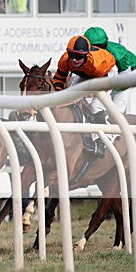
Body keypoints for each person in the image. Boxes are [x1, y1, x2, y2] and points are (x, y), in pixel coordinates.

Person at [52, 36, 117, 176]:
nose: (74, 60)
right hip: (85, 71)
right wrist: (58, 95)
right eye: (72, 55)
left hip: (106, 73)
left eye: (78, 56)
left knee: (96, 106)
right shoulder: (65, 60)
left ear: (86, 55)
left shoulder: (97, 64)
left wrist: (84, 95)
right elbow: (58, 79)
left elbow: (97, 88)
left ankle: (101, 140)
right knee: (69, 95)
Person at [84, 26, 136, 113]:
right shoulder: (83, 54)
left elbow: (122, 80)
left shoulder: (118, 55)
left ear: (105, 44)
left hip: (127, 70)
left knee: (117, 107)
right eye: (92, 48)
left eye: (100, 47)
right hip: (110, 73)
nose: (97, 51)